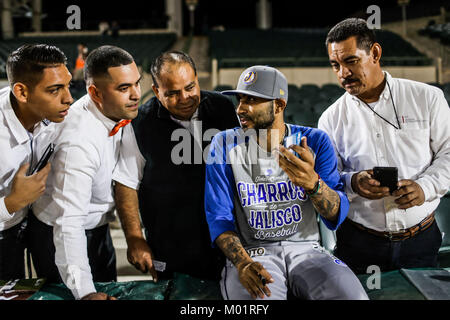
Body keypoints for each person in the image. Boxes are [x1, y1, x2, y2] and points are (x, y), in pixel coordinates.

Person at [204, 65, 368, 300]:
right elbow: (219, 217)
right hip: (254, 253)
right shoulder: (223, 144)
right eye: (240, 99)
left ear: (279, 105)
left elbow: (335, 216)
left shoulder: (314, 140)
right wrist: (243, 264)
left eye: (251, 100)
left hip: (308, 249)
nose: (240, 109)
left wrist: (313, 184)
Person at [318, 18, 450, 274]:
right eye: (335, 65)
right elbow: (327, 180)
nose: (343, 73)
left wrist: (426, 187)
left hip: (420, 241)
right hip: (359, 243)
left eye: (351, 61)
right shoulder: (330, 119)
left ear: (375, 53)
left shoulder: (427, 98)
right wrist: (354, 182)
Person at [113, 51, 240, 281]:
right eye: (172, 93)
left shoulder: (223, 108)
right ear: (156, 91)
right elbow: (125, 183)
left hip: (225, 237)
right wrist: (134, 237)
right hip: (169, 243)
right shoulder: (138, 123)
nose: (184, 97)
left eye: (190, 87)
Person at [29, 45, 141, 300]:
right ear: (95, 93)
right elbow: (68, 222)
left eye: (137, 83)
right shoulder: (78, 141)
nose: (136, 94)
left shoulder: (116, 111)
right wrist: (85, 292)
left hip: (97, 227)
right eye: (124, 88)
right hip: (61, 235)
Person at [0, 44, 72, 281]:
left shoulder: (54, 113)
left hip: (28, 227)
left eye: (68, 85)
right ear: (22, 92)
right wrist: (12, 202)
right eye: (55, 90)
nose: (68, 99)